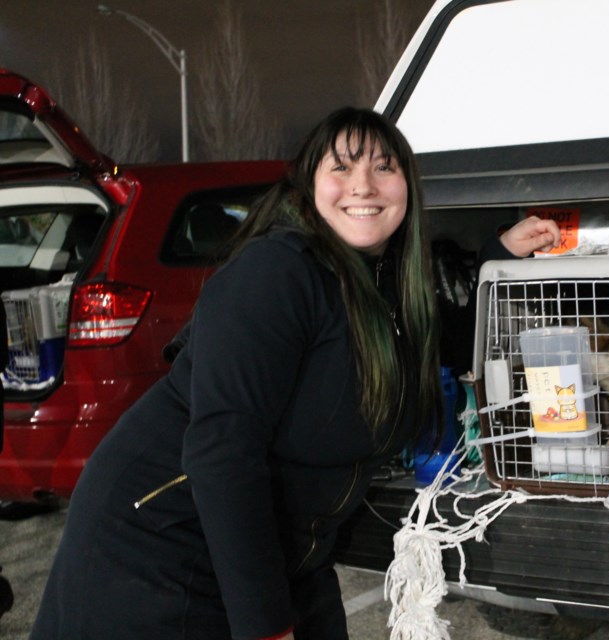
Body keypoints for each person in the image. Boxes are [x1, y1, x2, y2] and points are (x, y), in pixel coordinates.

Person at [30, 107, 560, 640]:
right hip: (166, 547)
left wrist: (498, 258)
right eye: (342, 168)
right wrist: (265, 626)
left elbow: (440, 344)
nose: (363, 186)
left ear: (406, 184)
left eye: (383, 167)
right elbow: (221, 452)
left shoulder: (383, 288)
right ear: (309, 185)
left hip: (285, 552)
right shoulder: (275, 272)